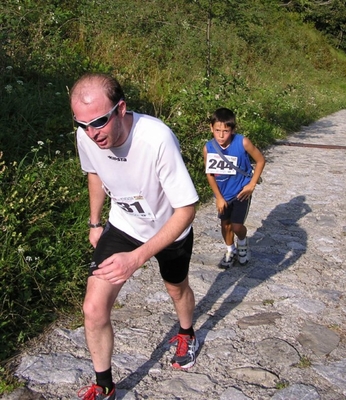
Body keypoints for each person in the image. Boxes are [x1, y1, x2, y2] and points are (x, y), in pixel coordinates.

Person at [70, 73, 200, 400]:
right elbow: (95, 173)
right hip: (124, 225)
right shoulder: (86, 135)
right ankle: (104, 385)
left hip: (169, 229)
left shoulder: (157, 138)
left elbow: (187, 208)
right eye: (82, 123)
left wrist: (138, 258)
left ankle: (186, 332)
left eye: (99, 122)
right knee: (93, 307)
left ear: (121, 109)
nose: (91, 132)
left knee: (176, 288)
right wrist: (95, 222)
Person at [203, 108, 265, 269]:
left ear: (233, 130)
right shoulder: (208, 148)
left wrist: (251, 184)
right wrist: (218, 197)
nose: (221, 135)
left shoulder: (242, 142)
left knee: (237, 226)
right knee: (225, 225)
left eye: (226, 131)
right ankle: (230, 250)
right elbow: (210, 174)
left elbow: (260, 160)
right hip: (223, 194)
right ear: (211, 128)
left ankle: (243, 244)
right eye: (217, 130)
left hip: (241, 192)